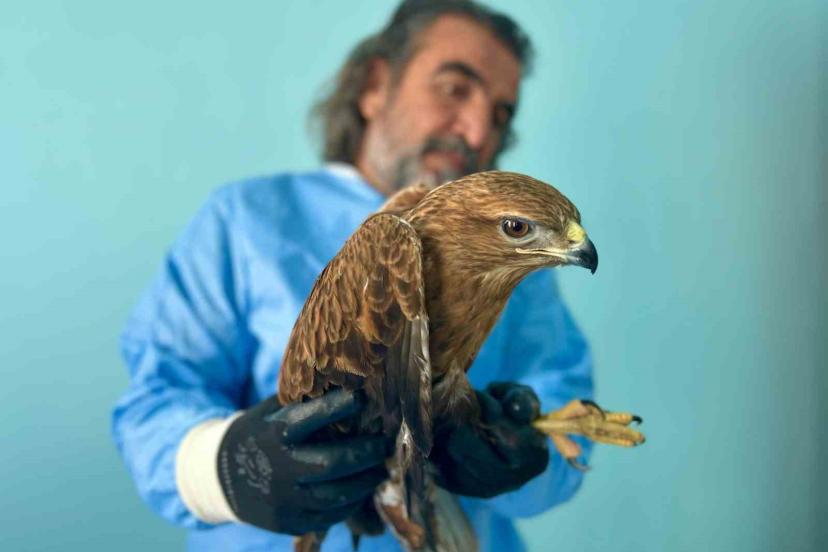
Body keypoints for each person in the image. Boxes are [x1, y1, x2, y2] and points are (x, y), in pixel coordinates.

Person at [112, 1, 594, 550]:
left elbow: (564, 410)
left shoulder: (516, 249)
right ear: (374, 87)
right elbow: (154, 400)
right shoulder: (245, 220)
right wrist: (229, 466)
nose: (478, 129)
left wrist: (526, 454)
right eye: (455, 89)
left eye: (501, 113)